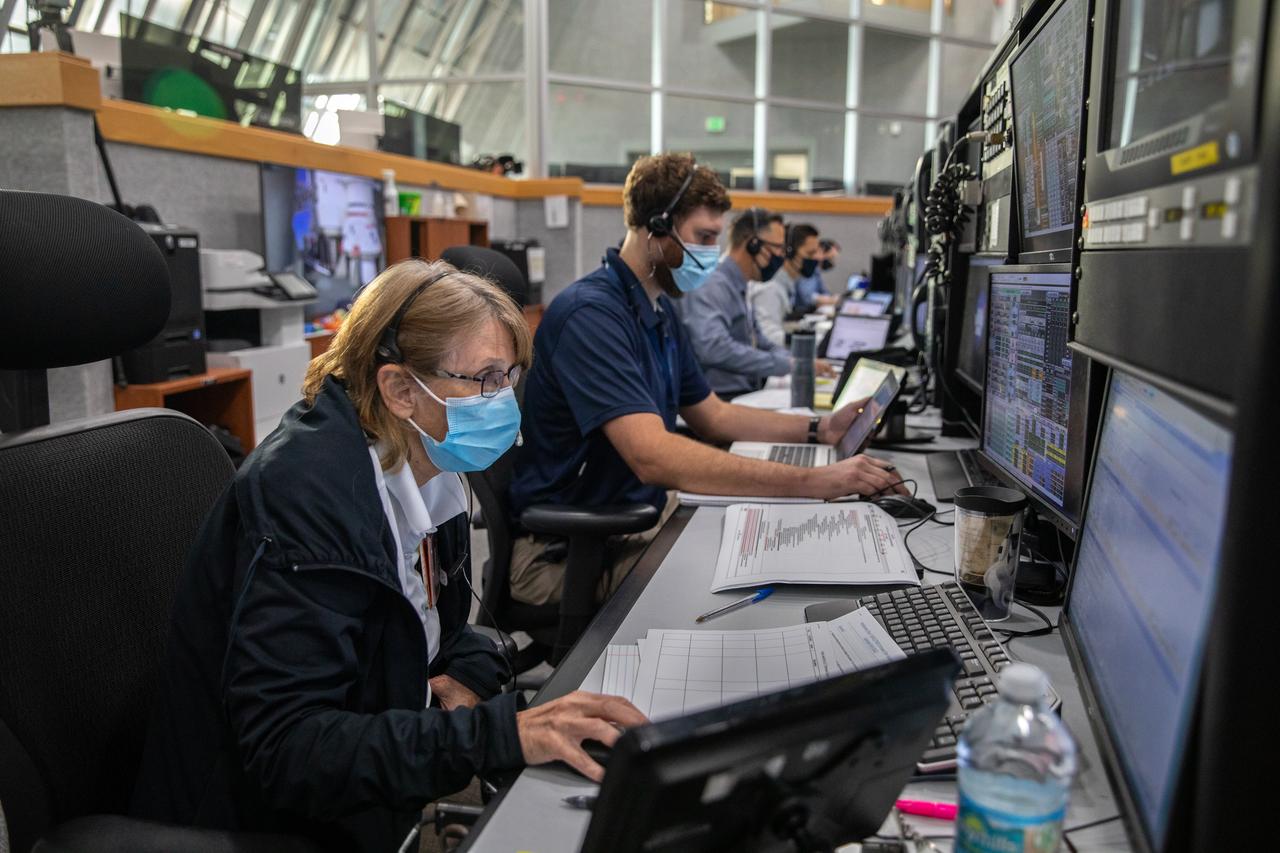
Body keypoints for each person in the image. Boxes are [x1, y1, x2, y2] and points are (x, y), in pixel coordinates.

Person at [131, 259, 646, 852]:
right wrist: (498, 735)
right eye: (483, 379)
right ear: (401, 389)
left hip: (372, 790)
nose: (502, 400)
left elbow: (445, 637)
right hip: (259, 825)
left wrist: (464, 683)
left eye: (509, 378)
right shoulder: (309, 496)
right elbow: (288, 749)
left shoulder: (431, 464)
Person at [507, 153, 909, 608]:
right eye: (702, 237)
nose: (711, 254)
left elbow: (713, 415)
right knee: (756, 589)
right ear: (655, 228)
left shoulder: (657, 308)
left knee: (770, 555)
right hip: (564, 554)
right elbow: (652, 457)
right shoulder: (592, 315)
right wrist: (817, 480)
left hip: (635, 523)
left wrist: (820, 430)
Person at [681, 207, 796, 398]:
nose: (782, 257)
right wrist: (781, 364)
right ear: (753, 245)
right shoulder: (713, 285)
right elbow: (713, 348)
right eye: (778, 248)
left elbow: (759, 340)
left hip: (743, 393)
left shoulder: (740, 285)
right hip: (721, 399)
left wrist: (790, 360)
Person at [750, 222, 821, 347]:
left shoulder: (787, 284)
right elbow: (768, 336)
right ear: (790, 252)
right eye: (810, 253)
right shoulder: (770, 287)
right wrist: (809, 340)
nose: (817, 259)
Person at [794, 237, 842, 312]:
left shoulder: (816, 271)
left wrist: (833, 298)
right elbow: (807, 297)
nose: (832, 262)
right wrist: (831, 300)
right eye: (831, 258)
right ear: (821, 251)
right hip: (799, 313)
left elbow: (824, 292)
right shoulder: (807, 269)